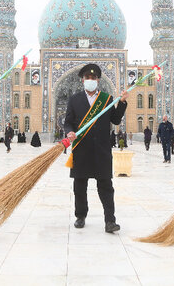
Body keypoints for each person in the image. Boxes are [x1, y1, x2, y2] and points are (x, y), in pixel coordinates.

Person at [65, 63, 128, 233]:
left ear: (98, 80)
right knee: (80, 186)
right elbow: (68, 122)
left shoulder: (107, 100)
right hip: (82, 149)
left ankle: (110, 220)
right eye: (87, 78)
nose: (90, 80)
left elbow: (115, 120)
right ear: (82, 80)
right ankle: (80, 215)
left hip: (101, 150)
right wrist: (70, 132)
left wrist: (121, 102)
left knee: (106, 186)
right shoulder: (75, 99)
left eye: (93, 78)